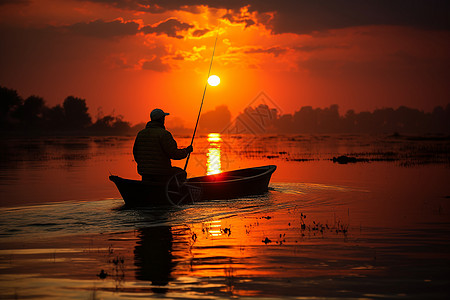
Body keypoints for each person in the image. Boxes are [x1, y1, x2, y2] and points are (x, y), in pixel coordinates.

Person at [133, 108, 193, 182]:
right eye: (163, 118)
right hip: (162, 173)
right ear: (161, 119)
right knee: (181, 173)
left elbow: (136, 154)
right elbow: (174, 154)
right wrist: (186, 151)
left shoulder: (140, 134)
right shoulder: (164, 134)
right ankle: (174, 192)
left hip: (144, 172)